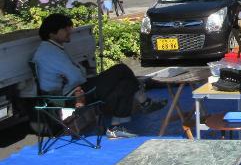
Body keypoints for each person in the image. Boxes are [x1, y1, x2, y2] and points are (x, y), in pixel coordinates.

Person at [32, 13, 165, 139]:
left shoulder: (49, 48)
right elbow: (77, 77)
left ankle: (115, 127)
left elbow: (74, 75)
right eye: (65, 29)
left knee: (126, 84)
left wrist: (80, 75)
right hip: (69, 96)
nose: (69, 31)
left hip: (70, 92)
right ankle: (145, 103)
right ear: (52, 32)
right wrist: (81, 76)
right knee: (121, 69)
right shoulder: (49, 52)